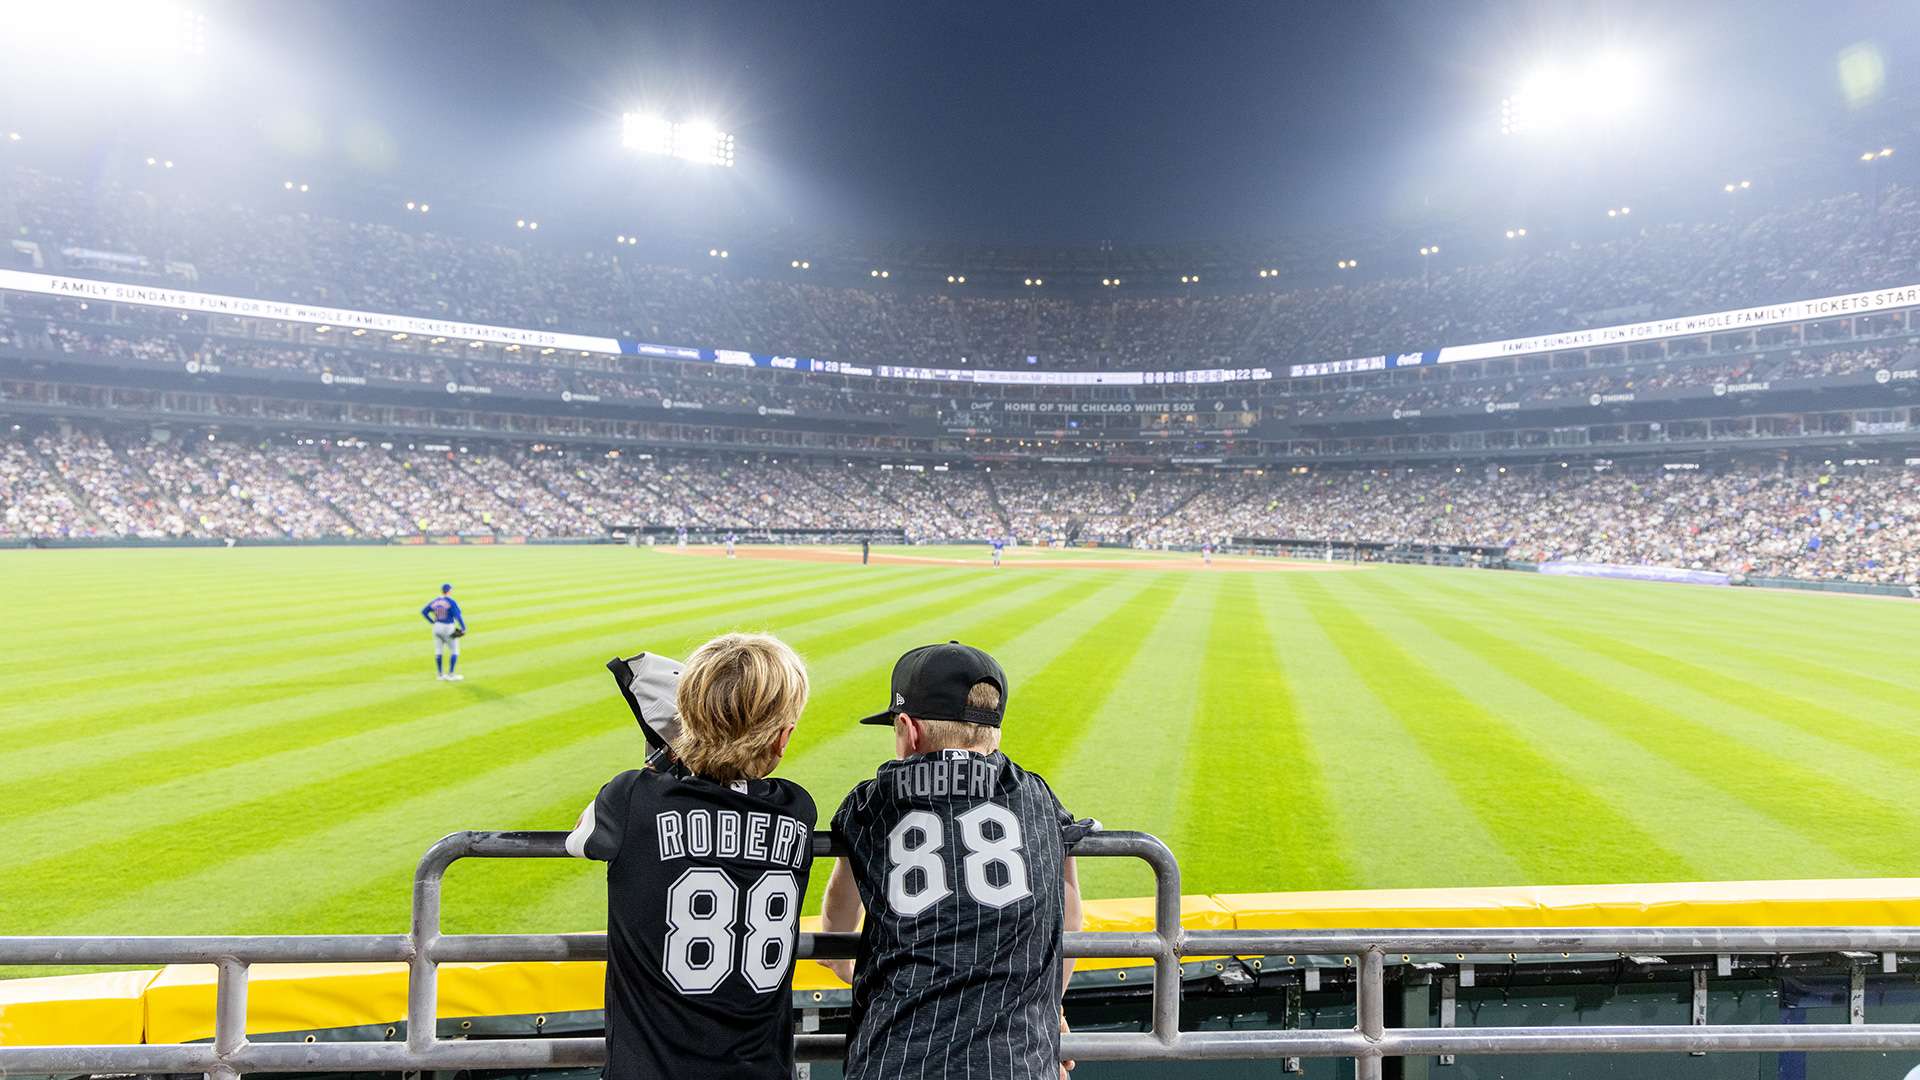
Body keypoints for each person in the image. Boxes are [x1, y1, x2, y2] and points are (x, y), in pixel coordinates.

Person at [820, 642, 1095, 1080]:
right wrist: (1042, 1012)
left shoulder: (871, 802)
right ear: (995, 734)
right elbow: (1068, 919)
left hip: (894, 1059)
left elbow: (836, 925)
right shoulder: (1037, 797)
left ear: (909, 730)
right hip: (1015, 1062)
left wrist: (844, 968)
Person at [566, 633, 816, 1080]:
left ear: (686, 717)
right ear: (782, 741)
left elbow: (581, 839)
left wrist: (671, 755)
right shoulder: (798, 809)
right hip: (763, 1071)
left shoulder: (630, 798)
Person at [421, 583, 465, 681]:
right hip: (448, 627)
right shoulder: (451, 602)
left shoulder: (435, 601)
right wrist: (463, 627)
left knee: (439, 650)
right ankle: (451, 674)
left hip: (437, 627)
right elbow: (458, 616)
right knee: (454, 650)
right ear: (449, 591)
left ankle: (440, 674)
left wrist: (431, 621)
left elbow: (424, 611)